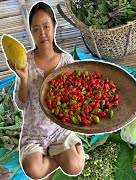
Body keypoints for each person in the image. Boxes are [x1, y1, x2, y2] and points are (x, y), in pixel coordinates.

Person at [7, 2, 84, 179]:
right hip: (34, 132)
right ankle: (56, 158)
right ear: (31, 33)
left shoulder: (66, 62)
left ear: (54, 26)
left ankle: (63, 154)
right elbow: (20, 104)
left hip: (59, 131)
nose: (42, 34)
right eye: (36, 29)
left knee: (75, 167)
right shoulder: (25, 61)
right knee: (33, 170)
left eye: (46, 26)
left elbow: (74, 99)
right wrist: (24, 78)